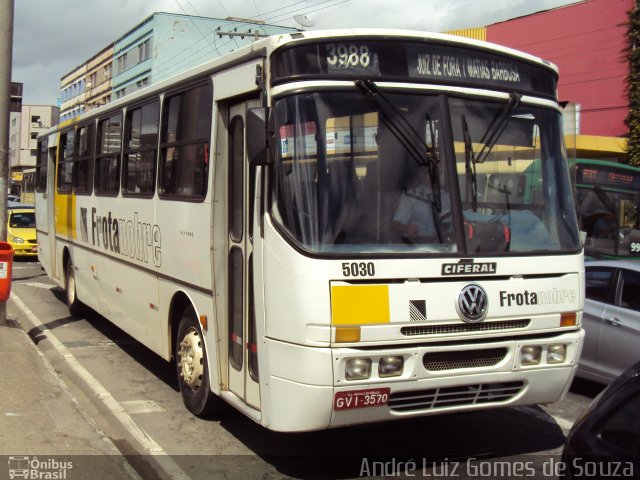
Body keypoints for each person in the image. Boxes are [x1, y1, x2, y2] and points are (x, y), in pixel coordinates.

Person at [392, 166, 451, 242]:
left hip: (444, 243)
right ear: (422, 176)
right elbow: (395, 225)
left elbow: (457, 221)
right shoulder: (411, 196)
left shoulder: (447, 197)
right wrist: (406, 228)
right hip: (418, 245)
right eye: (430, 174)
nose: (434, 177)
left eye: (436, 174)